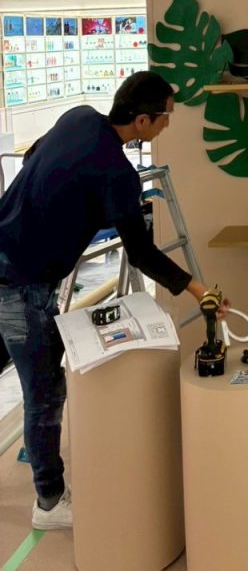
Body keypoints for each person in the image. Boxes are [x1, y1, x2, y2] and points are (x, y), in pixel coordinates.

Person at [0, 71, 228, 531]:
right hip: (23, 284)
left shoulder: (79, 117)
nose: (167, 124)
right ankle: (49, 503)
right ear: (142, 120)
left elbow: (34, 158)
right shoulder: (118, 175)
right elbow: (141, 253)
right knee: (45, 395)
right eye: (165, 117)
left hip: (3, 252)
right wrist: (198, 289)